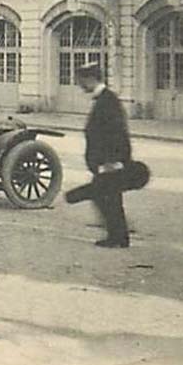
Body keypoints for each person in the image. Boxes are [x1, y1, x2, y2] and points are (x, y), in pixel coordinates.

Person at [76, 61, 132, 248]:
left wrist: (112, 161)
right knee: (106, 197)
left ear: (91, 79)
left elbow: (116, 132)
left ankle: (118, 237)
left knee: (108, 198)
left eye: (81, 81)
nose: (80, 85)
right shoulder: (105, 99)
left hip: (109, 161)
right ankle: (118, 235)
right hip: (105, 161)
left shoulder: (108, 101)